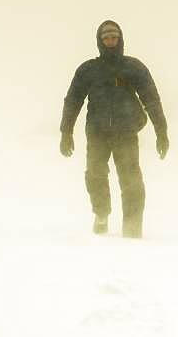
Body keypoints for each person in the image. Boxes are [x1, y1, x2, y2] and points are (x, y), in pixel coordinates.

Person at [59, 20, 169, 238]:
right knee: (95, 176)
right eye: (106, 37)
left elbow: (152, 100)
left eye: (114, 37)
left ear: (120, 39)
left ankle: (132, 226)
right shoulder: (88, 69)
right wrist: (66, 132)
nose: (110, 41)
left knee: (132, 181)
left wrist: (161, 132)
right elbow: (73, 101)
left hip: (126, 133)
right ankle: (101, 214)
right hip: (97, 134)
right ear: (100, 41)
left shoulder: (133, 67)